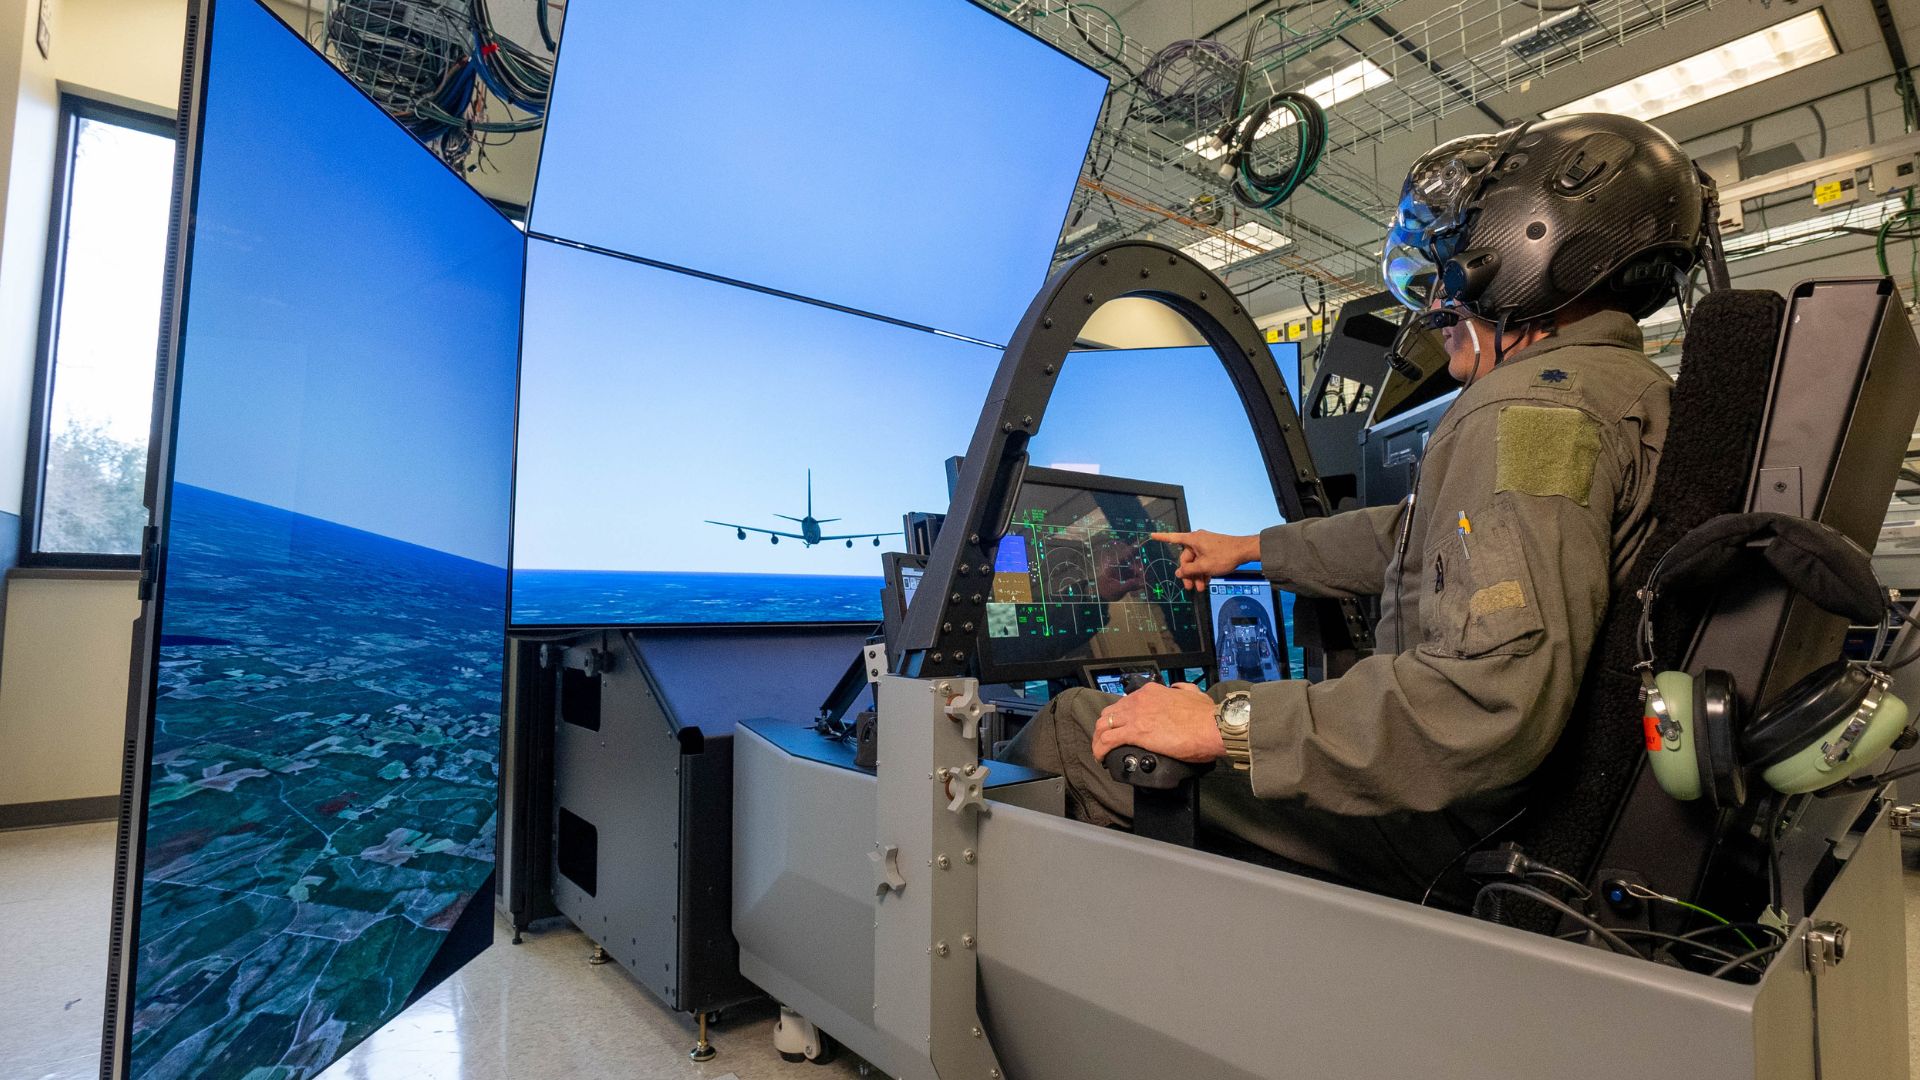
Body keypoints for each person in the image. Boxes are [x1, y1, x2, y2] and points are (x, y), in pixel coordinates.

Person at [999, 113, 1716, 899]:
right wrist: (1252, 550)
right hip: (1522, 807)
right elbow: (1416, 535)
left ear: (1523, 253)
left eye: (1454, 267)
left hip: (1449, 822)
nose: (1438, 299)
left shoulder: (1524, 415)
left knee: (1076, 732)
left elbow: (1483, 705)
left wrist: (1223, 723)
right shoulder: (1624, 391)